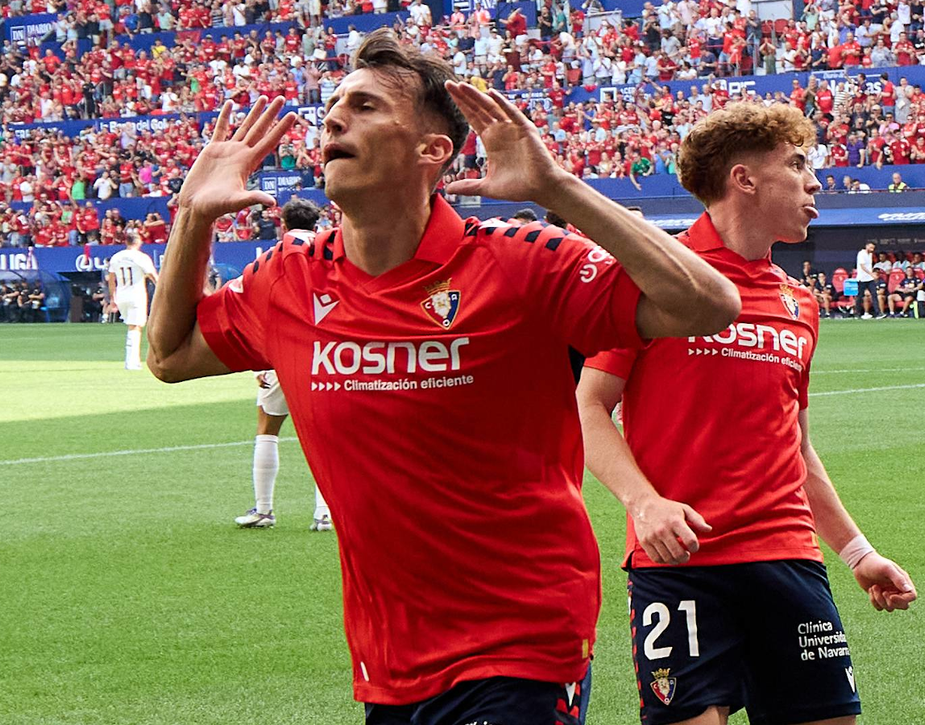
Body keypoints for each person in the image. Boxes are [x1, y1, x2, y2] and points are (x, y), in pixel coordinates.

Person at [146, 29, 739, 725]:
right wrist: (193, 215)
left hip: (521, 642)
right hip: (388, 660)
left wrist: (558, 187)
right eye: (335, 105)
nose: (333, 119)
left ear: (432, 151)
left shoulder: (521, 260)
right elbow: (169, 355)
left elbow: (709, 305)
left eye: (365, 106)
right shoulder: (289, 278)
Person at [576, 103, 917, 725]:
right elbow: (589, 406)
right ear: (745, 179)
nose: (815, 182)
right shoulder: (655, 278)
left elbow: (797, 448)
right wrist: (643, 503)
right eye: (798, 164)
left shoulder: (799, 301)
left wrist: (858, 553)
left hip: (788, 557)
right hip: (680, 563)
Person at [234, 198, 333, 532]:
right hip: (326, 353)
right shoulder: (335, 251)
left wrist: (259, 359)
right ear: (317, 225)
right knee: (325, 434)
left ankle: (264, 510)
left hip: (283, 350)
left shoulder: (271, 258)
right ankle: (324, 513)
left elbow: (255, 307)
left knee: (267, 428)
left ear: (283, 225)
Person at [107, 233, 159, 369]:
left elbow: (111, 279)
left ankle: (133, 360)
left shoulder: (116, 257)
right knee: (135, 327)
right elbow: (153, 276)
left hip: (121, 296)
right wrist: (162, 290)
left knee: (132, 325)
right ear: (139, 242)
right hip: (136, 294)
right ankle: (131, 362)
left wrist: (113, 298)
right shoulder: (141, 257)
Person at [854, 241, 879, 319]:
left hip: (869, 279)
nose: (872, 249)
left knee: (874, 294)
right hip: (862, 279)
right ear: (866, 246)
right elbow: (862, 266)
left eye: (873, 248)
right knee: (860, 296)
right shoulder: (861, 254)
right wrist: (871, 274)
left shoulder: (870, 254)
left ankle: (878, 313)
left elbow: (869, 266)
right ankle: (857, 313)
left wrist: (872, 275)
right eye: (871, 247)